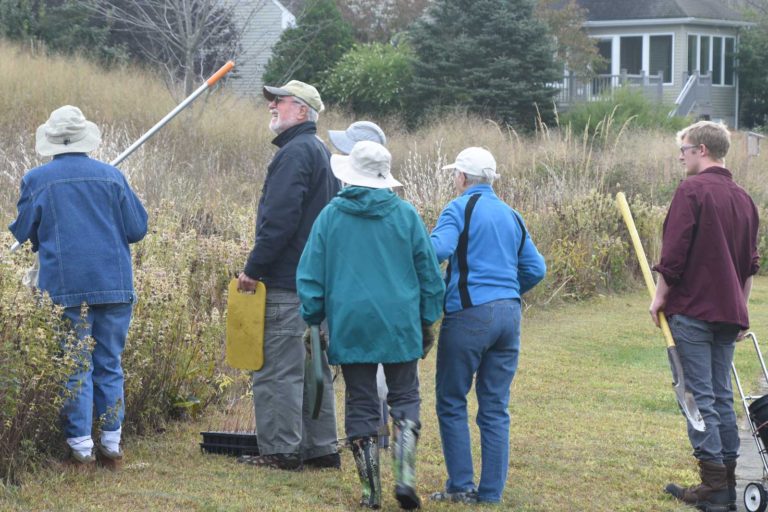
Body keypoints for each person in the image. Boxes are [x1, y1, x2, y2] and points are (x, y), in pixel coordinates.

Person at [296, 141, 445, 510]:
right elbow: (430, 276)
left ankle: (371, 494)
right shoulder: (406, 215)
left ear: (350, 175)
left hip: (351, 322)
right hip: (400, 320)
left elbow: (310, 276)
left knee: (361, 402)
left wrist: (313, 320)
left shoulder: (330, 217)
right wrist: (427, 321)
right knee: (406, 396)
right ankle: (406, 479)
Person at [8, 105, 148, 469]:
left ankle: (81, 449)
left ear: (52, 142)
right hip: (114, 284)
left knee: (75, 365)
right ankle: (111, 445)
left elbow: (23, 232)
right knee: (109, 363)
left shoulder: (37, 180)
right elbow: (136, 229)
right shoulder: (112, 176)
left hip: (65, 288)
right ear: (87, 139)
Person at [650, 121, 759, 512]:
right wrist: (741, 308)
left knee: (696, 396)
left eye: (684, 149)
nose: (680, 156)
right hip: (729, 312)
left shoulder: (691, 190)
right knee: (721, 396)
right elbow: (749, 266)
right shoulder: (745, 199)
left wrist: (659, 298)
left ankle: (714, 488)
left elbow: (674, 255)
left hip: (694, 309)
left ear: (701, 150)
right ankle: (725, 485)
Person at [429, 147, 546, 505]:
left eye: (455, 175)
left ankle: (461, 486)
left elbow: (437, 250)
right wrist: (507, 292)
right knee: (495, 406)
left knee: (451, 399)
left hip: (469, 315)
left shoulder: (459, 207)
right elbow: (536, 268)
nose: (454, 180)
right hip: (509, 315)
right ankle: (491, 493)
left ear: (462, 178)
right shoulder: (512, 214)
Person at [236, 80, 340, 471]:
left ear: (300, 110)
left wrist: (253, 268)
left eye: (277, 101)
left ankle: (280, 451)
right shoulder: (320, 152)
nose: (271, 107)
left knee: (278, 370)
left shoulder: (295, 153)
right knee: (315, 369)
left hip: (285, 281)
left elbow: (279, 221)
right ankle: (321, 448)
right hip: (314, 283)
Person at [328, 120, 391, 449]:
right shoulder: (398, 209)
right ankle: (380, 445)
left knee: (368, 387)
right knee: (385, 385)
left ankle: (375, 450)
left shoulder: (342, 210)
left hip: (359, 310)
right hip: (391, 310)